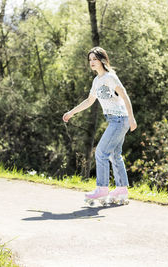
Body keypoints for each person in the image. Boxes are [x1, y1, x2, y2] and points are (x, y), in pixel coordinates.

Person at [62, 47, 137, 205]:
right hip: (114, 120)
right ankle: (121, 190)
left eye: (95, 59)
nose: (92, 63)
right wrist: (71, 112)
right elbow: (89, 101)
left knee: (101, 152)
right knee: (114, 155)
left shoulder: (110, 77)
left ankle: (102, 189)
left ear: (102, 60)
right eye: (90, 60)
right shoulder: (97, 81)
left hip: (120, 119)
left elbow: (124, 95)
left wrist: (132, 118)